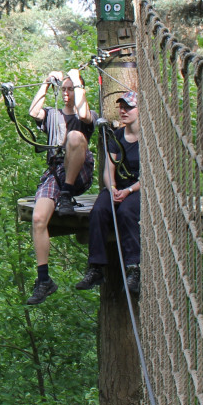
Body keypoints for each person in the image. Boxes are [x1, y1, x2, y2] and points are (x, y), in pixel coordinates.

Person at [25, 69, 95, 305]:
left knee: (75, 137)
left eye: (70, 89)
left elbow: (84, 113)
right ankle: (43, 279)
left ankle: (66, 193)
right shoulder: (52, 115)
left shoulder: (87, 114)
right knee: (38, 218)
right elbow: (33, 111)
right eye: (63, 89)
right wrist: (46, 82)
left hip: (80, 169)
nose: (66, 93)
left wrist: (75, 79)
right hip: (55, 171)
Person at [74, 90, 142, 296]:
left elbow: (150, 175)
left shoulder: (149, 139)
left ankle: (133, 268)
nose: (123, 111)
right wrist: (112, 188)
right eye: (121, 107)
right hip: (117, 186)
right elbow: (108, 170)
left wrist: (128, 190)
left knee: (126, 213)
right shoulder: (117, 137)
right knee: (100, 210)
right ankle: (96, 267)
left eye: (129, 107)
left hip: (139, 188)